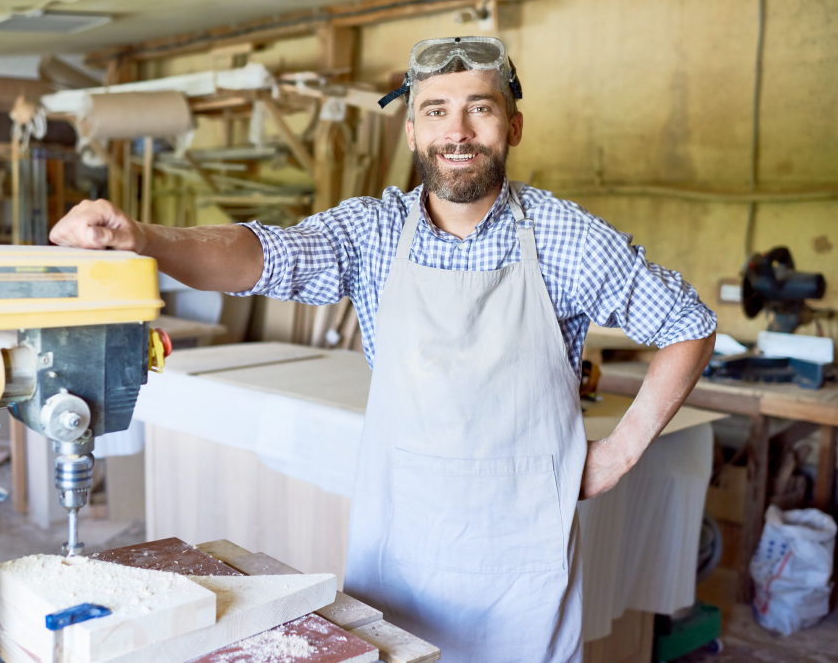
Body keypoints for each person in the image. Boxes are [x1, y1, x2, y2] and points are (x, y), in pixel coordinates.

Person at [51, 36, 716, 662]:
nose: (458, 131)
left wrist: (618, 453)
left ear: (513, 127)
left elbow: (688, 323)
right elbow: (264, 255)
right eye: (436, 111)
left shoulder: (565, 237)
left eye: (480, 109)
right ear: (412, 132)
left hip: (523, 571)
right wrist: (145, 238)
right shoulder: (372, 232)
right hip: (401, 555)